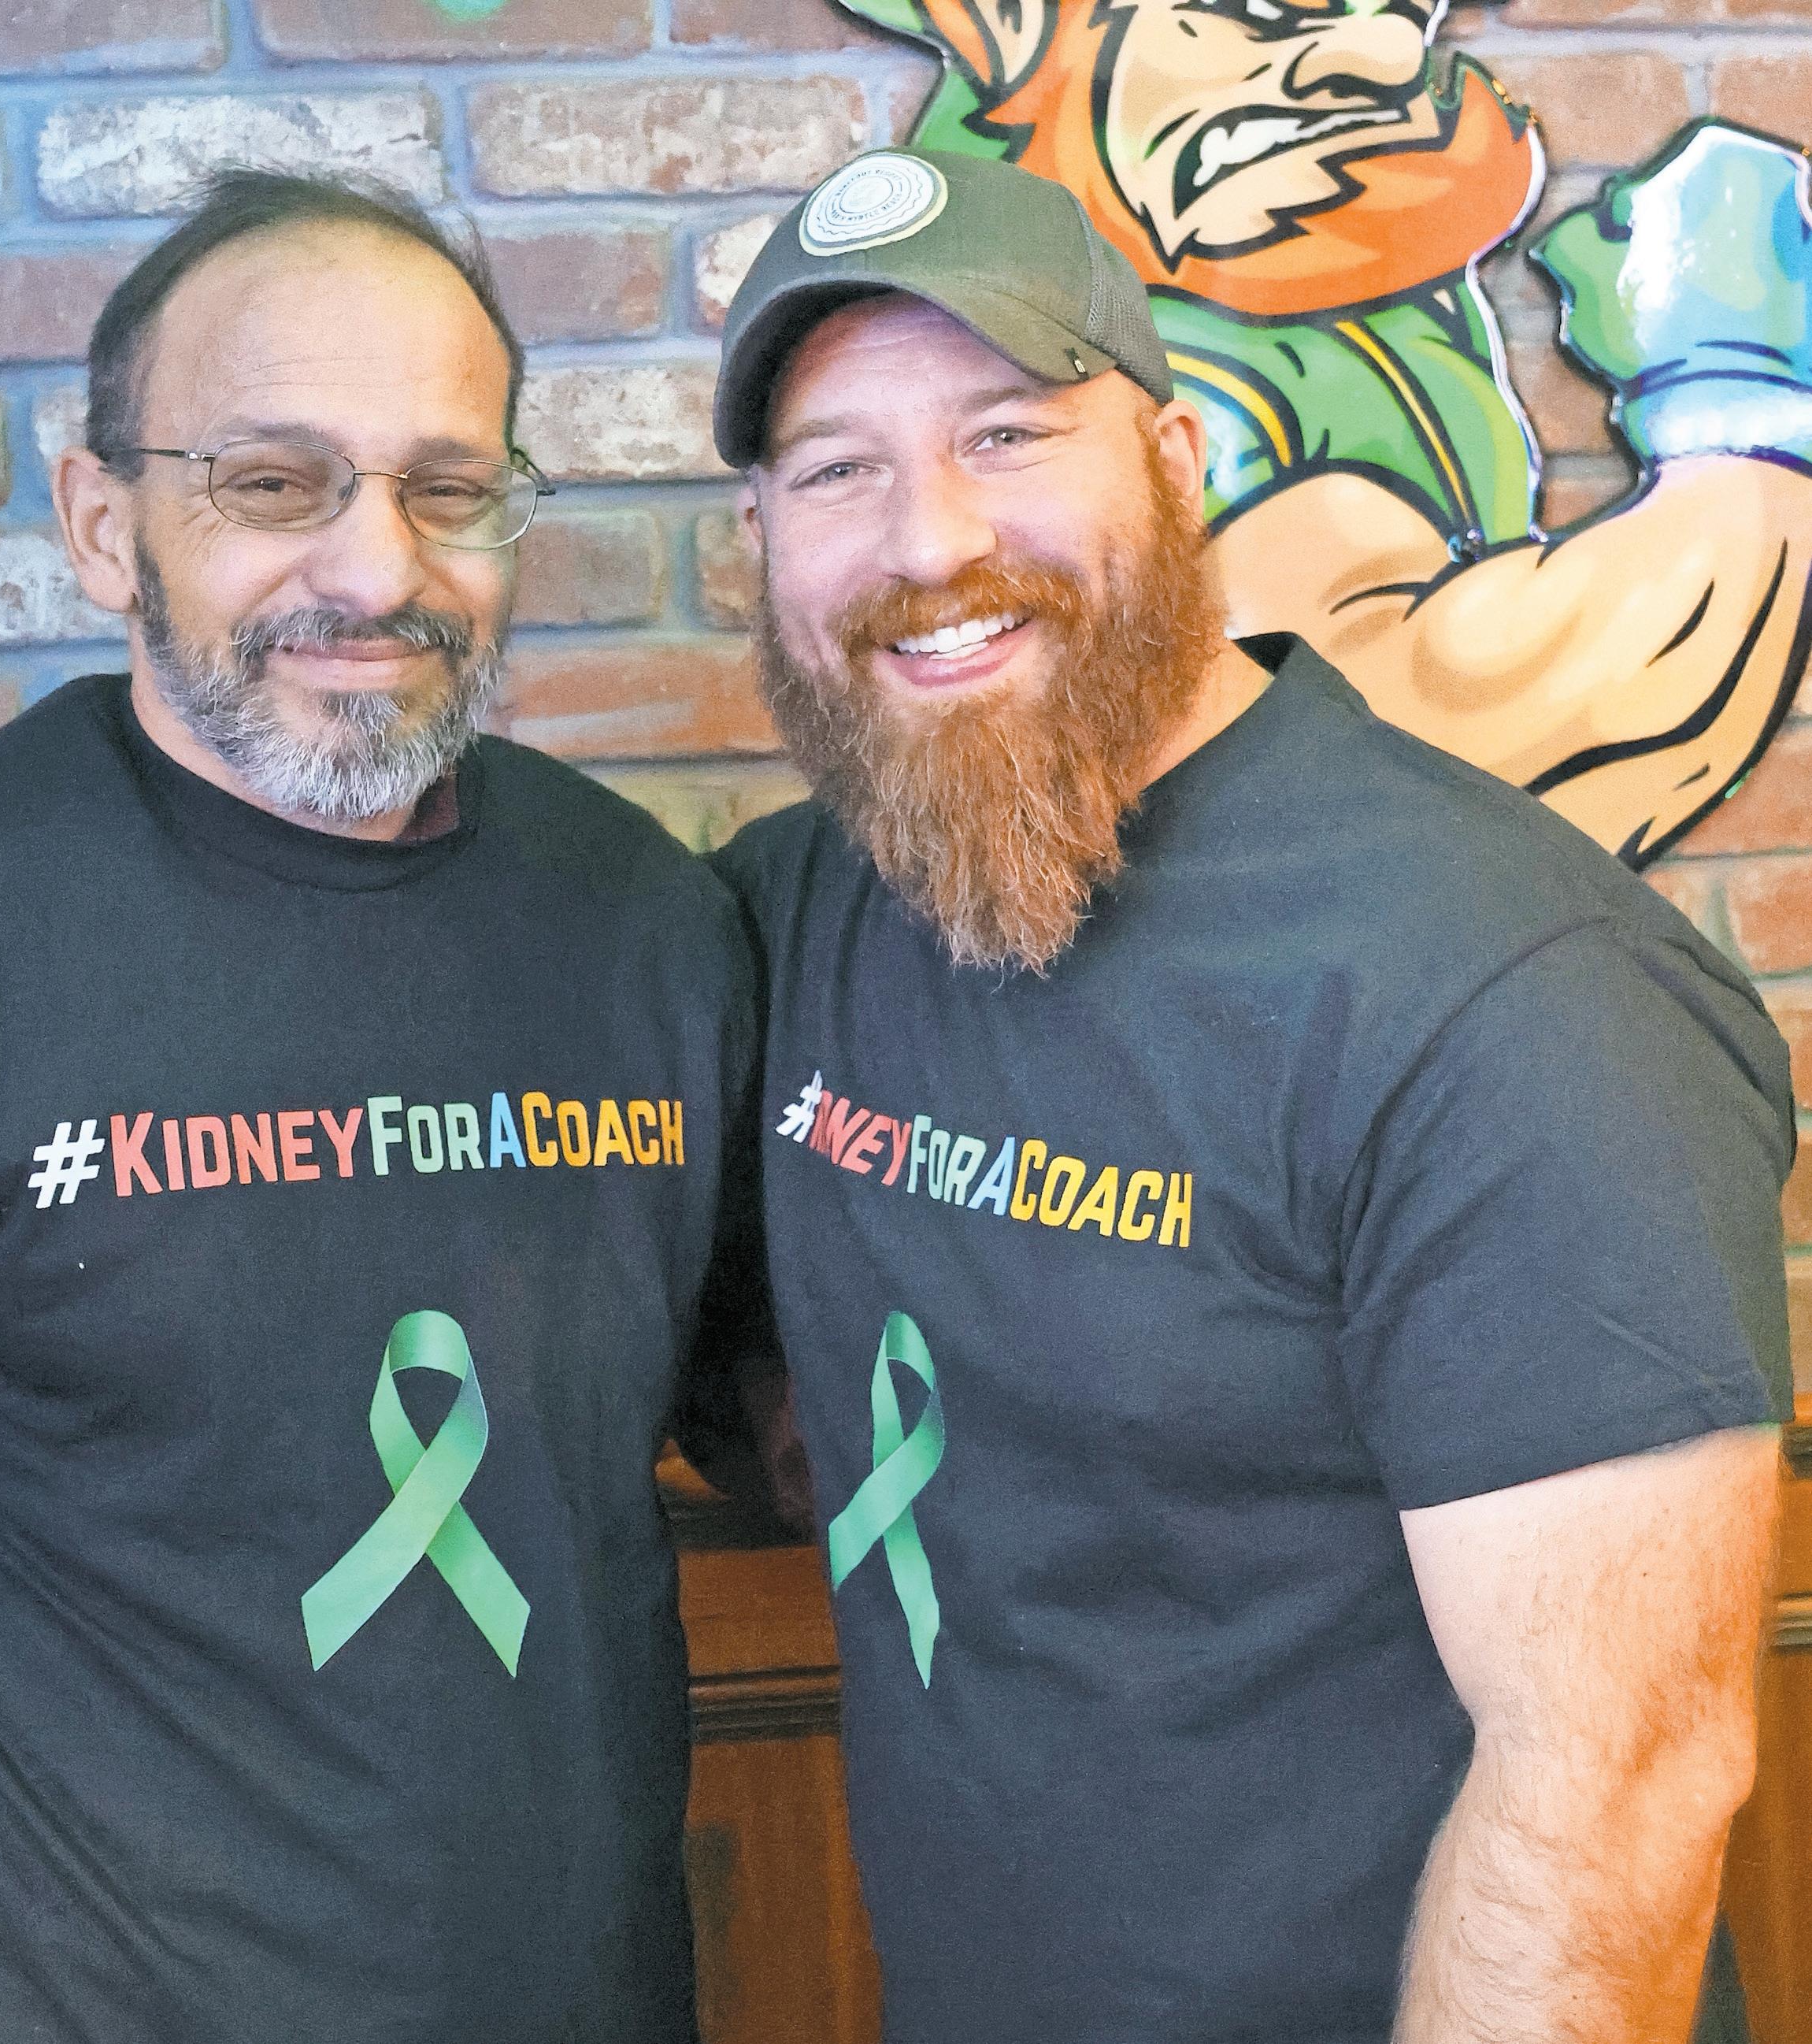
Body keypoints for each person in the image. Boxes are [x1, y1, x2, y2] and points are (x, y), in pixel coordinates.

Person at [0, 169, 754, 2044]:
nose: (376, 569)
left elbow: (806, 1410)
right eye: (272, 483)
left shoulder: (646, 924)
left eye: (447, 487)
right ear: (105, 523)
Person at [707, 146, 1792, 2044]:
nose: (926, 538)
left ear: (1177, 459)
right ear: (760, 540)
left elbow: (1610, 1791)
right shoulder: (797, 911)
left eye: (1006, 432)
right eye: (834, 470)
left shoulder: (1506, 990)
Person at [838, 0, 1812, 865]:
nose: (1385, 57)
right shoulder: (1136, 382)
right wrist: (1733, 398)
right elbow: (1422, 747)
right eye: (1258, 12)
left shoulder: (1328, 269)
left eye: (1400, 11)